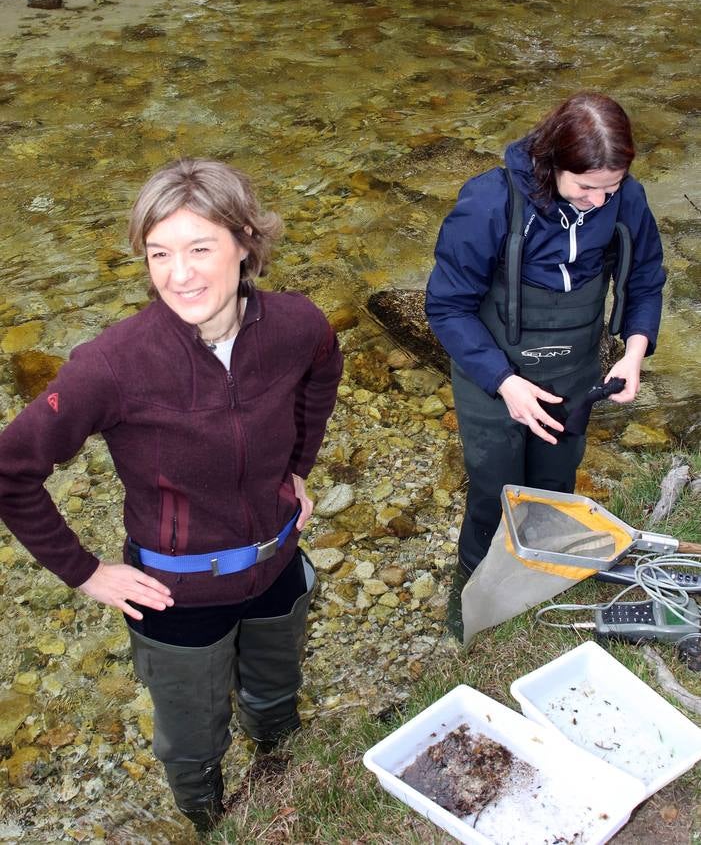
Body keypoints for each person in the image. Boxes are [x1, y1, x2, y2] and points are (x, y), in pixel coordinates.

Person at [0, 158, 343, 833]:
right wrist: (86, 572)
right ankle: (210, 823)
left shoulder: (296, 325)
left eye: (198, 248)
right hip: (175, 597)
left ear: (245, 241)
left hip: (276, 569)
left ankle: (288, 787)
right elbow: (10, 469)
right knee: (191, 744)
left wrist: (298, 467)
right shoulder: (112, 366)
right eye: (159, 253)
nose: (178, 274)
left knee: (276, 700)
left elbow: (321, 372)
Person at [425, 92, 665, 577]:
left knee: (555, 489)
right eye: (586, 186)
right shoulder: (489, 203)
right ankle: (477, 586)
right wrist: (504, 382)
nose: (598, 201)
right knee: (496, 491)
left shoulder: (626, 200)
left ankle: (542, 577)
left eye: (611, 187)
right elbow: (447, 307)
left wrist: (633, 353)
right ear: (553, 162)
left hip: (573, 372)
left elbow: (645, 280)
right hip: (493, 375)